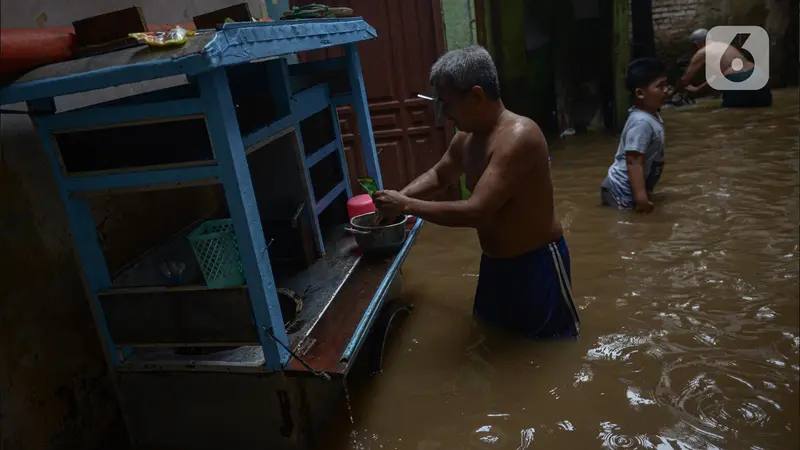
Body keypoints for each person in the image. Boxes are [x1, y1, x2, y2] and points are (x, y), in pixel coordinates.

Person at [371, 46, 580, 339]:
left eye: (448, 104)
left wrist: (405, 205)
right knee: (491, 339)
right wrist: (392, 201)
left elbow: (476, 210)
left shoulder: (520, 136)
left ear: (477, 96)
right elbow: (439, 175)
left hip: (536, 265)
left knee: (549, 350)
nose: (443, 115)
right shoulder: (466, 138)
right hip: (494, 263)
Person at [600, 57, 668, 213]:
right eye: (660, 86)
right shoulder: (641, 122)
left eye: (666, 84)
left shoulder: (651, 116)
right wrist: (641, 199)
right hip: (620, 190)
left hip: (626, 188)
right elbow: (633, 162)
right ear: (640, 93)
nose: (666, 90)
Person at [677, 28, 772, 107]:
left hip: (737, 79)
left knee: (731, 115)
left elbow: (685, 79)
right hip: (757, 75)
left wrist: (674, 92)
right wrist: (699, 89)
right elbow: (718, 77)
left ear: (697, 44)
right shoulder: (726, 46)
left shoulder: (702, 52)